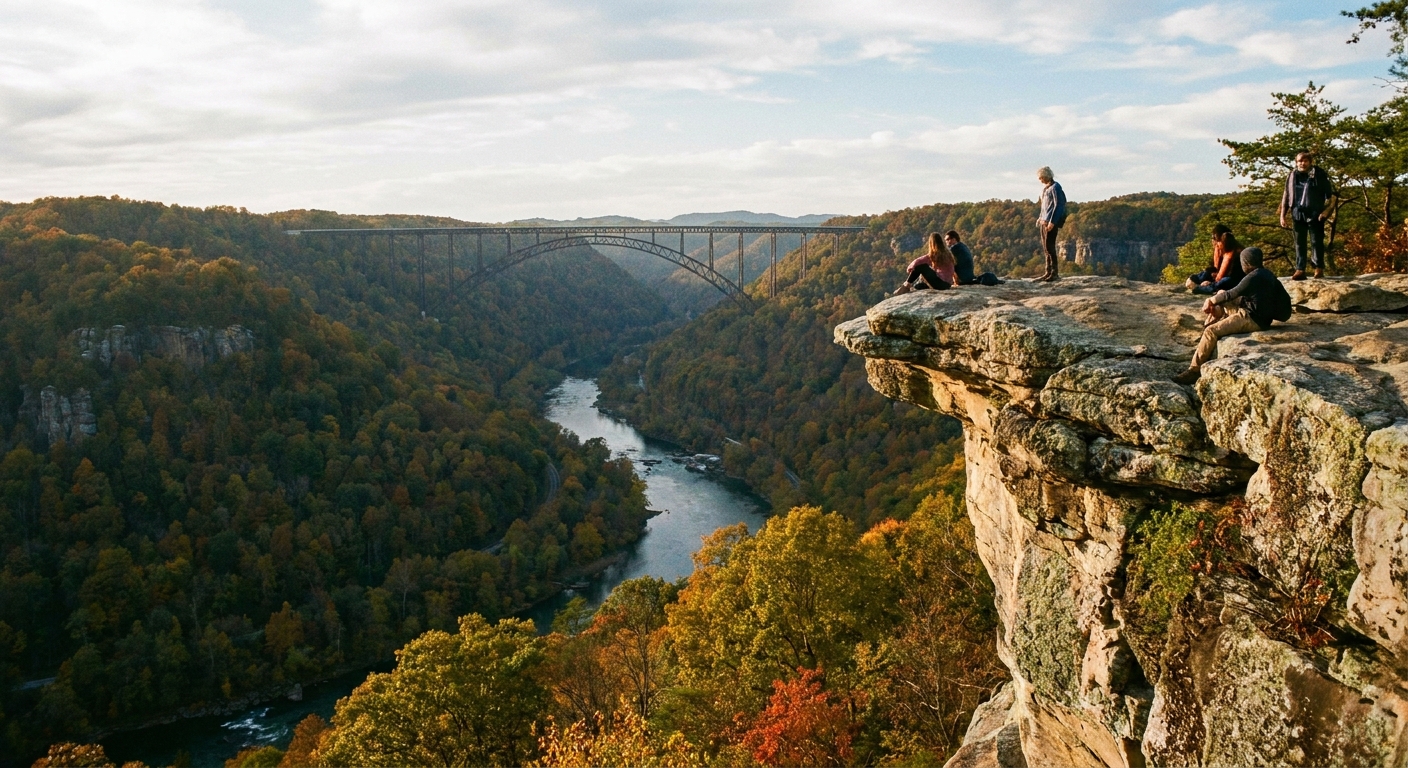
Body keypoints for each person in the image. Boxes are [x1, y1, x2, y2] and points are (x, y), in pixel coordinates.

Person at [1173, 247, 1292, 385]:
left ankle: (1194, 370)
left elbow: (1232, 294)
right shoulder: (1267, 275)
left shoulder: (1253, 277)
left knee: (1211, 331)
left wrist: (1210, 300)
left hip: (1252, 318)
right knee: (1221, 295)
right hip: (1259, 315)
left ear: (1246, 262)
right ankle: (1214, 320)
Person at [1278, 151, 1337, 280]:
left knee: (1316, 242)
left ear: (1310, 162)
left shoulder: (1319, 175)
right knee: (1299, 243)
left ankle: (1318, 268)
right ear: (1296, 162)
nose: (1302, 163)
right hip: (1297, 213)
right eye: (1300, 161)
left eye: (1305, 161)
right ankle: (1300, 269)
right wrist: (1282, 215)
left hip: (1315, 213)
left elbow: (1331, 196)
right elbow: (1286, 196)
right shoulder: (1292, 176)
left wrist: (1326, 212)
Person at [1189, 226, 1245, 295]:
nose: (1213, 241)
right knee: (1206, 273)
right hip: (1219, 277)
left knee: (1225, 281)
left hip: (1234, 280)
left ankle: (1205, 288)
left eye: (1214, 238)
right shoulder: (1221, 249)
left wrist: (1212, 282)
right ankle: (1199, 280)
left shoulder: (1235, 253)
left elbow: (1227, 274)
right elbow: (1214, 268)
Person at [1036, 166, 1067, 282]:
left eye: (1041, 178)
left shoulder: (1056, 187)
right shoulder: (1045, 189)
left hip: (1050, 223)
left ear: (1046, 176)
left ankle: (1054, 273)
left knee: (1050, 247)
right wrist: (1040, 217)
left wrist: (1052, 222)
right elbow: (1044, 206)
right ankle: (1047, 272)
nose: (1040, 180)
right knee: (1045, 248)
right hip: (1044, 222)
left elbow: (1058, 205)